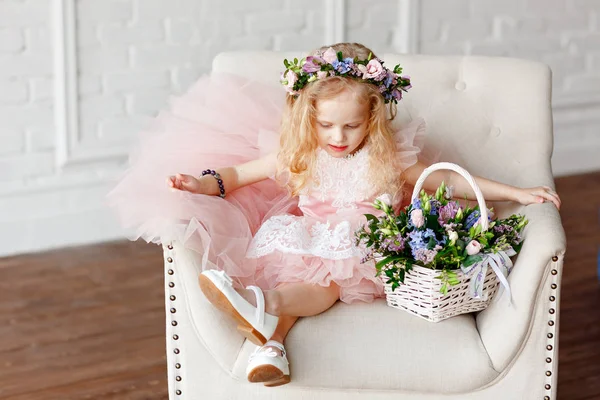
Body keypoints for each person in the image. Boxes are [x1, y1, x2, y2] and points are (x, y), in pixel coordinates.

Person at [108, 42, 561, 388]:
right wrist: (201, 184)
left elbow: (451, 183)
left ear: (374, 118)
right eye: (326, 125)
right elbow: (239, 174)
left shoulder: (389, 157)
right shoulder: (301, 153)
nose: (338, 136)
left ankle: (263, 311)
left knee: (324, 284)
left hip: (362, 243)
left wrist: (517, 192)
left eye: (351, 125)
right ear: (309, 117)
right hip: (308, 235)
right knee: (297, 275)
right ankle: (270, 346)